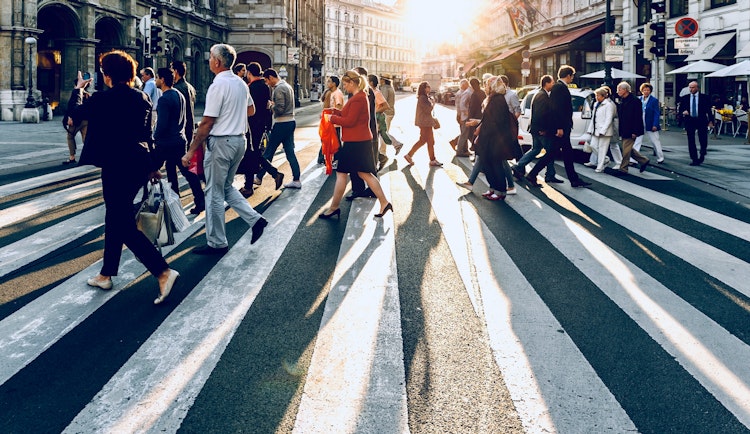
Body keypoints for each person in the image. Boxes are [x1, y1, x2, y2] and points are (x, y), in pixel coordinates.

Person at [69, 51, 178, 305]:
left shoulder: (102, 99)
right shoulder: (141, 97)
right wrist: (152, 166)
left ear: (107, 75)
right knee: (115, 216)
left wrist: (78, 89)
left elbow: (73, 114)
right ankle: (106, 273)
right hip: (138, 164)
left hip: (116, 166)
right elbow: (147, 134)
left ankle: (162, 271)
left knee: (123, 223)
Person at [181, 43, 268, 255]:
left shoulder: (217, 85)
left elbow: (207, 122)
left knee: (213, 194)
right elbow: (251, 110)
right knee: (226, 187)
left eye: (210, 57)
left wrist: (191, 151)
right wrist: (232, 116)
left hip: (221, 143)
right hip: (239, 141)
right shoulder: (240, 83)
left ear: (217, 62)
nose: (209, 60)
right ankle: (255, 220)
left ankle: (217, 242)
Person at [319, 70, 392, 219]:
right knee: (364, 173)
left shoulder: (359, 98)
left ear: (352, 83)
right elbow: (349, 115)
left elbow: (350, 121)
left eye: (346, 84)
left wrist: (333, 118)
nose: (344, 87)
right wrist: (335, 112)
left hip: (355, 142)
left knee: (341, 173)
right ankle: (384, 203)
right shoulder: (359, 96)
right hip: (359, 141)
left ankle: (334, 208)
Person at [525, 65, 590, 188]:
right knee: (553, 153)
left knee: (565, 153)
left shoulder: (559, 87)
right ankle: (533, 174)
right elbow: (557, 109)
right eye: (572, 76)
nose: (572, 78)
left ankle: (574, 179)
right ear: (568, 76)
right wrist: (559, 127)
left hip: (563, 127)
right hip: (561, 128)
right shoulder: (559, 88)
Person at [153, 67, 205, 214]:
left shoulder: (164, 99)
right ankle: (197, 200)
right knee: (183, 171)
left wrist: (154, 138)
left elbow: (162, 124)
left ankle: (163, 202)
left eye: (157, 77)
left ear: (162, 79)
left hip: (165, 143)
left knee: (150, 169)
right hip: (179, 139)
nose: (156, 80)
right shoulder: (179, 94)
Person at [466, 76, 517, 200]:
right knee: (488, 165)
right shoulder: (492, 99)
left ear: (493, 86)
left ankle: (500, 191)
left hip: (495, 139)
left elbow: (495, 122)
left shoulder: (498, 100)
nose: (485, 87)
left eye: (487, 85)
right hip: (489, 138)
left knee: (496, 165)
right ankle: (493, 188)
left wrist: (483, 131)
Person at [255, 68, 302, 189]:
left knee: (269, 151)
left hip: (281, 123)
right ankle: (296, 179)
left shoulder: (279, 88)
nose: (267, 83)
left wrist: (271, 105)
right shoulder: (287, 86)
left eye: (266, 80)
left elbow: (280, 109)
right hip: (290, 122)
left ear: (271, 77)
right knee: (290, 152)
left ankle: (259, 177)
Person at [239, 62, 280, 196]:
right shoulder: (265, 86)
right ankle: (274, 174)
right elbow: (267, 107)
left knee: (251, 154)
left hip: (252, 125)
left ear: (249, 73)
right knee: (254, 153)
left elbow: (249, 108)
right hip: (260, 124)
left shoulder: (251, 88)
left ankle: (249, 186)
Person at [512, 75, 559, 184]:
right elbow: (540, 114)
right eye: (552, 82)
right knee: (550, 151)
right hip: (541, 129)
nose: (553, 84)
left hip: (535, 128)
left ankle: (519, 165)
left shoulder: (538, 93)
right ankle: (550, 175)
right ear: (546, 83)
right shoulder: (543, 96)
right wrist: (543, 129)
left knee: (536, 149)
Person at [614, 81, 650, 175]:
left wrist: (635, 131)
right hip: (624, 128)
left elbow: (637, 117)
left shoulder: (635, 101)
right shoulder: (622, 100)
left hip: (631, 129)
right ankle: (643, 160)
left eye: (619, 89)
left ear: (625, 90)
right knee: (628, 148)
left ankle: (623, 168)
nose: (618, 91)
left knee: (626, 150)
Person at [404, 81, 442, 167]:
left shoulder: (424, 97)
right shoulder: (422, 98)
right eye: (428, 86)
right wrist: (433, 104)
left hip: (425, 122)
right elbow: (427, 110)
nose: (429, 88)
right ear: (424, 88)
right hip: (424, 123)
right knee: (427, 141)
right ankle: (410, 155)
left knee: (427, 141)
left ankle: (430, 159)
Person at [585, 86, 620, 173]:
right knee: (593, 145)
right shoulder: (597, 104)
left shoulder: (609, 105)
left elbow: (608, 119)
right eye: (596, 95)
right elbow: (593, 118)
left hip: (605, 131)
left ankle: (600, 166)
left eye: (598, 95)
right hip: (596, 130)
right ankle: (605, 159)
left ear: (604, 96)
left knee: (602, 148)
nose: (596, 97)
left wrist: (603, 130)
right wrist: (590, 129)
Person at [679, 80, 713, 166]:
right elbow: (680, 109)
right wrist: (683, 112)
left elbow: (709, 111)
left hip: (701, 120)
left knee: (703, 138)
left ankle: (702, 152)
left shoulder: (704, 97)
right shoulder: (685, 98)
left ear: (697, 88)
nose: (691, 89)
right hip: (690, 121)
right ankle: (694, 158)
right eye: (690, 87)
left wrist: (711, 121)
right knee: (691, 140)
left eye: (693, 87)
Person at [633, 83, 665, 164]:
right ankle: (634, 158)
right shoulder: (639, 99)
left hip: (650, 122)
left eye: (648, 90)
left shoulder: (654, 100)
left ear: (650, 91)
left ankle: (660, 157)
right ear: (642, 91)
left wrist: (655, 124)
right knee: (637, 141)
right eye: (644, 90)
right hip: (640, 122)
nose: (646, 92)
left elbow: (656, 113)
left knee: (655, 141)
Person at [63, 78, 90, 165]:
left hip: (76, 120)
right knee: (85, 139)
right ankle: (88, 157)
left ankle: (72, 157)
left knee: (70, 137)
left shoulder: (75, 94)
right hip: (86, 120)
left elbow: (72, 107)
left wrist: (70, 117)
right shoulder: (88, 95)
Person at [368, 74, 390, 170]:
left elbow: (386, 106)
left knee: (372, 143)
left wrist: (373, 112)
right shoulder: (370, 92)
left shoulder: (376, 93)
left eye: (367, 80)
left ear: (371, 83)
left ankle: (381, 158)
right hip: (371, 120)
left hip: (375, 120)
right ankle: (381, 158)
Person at [379, 74, 402, 155]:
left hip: (386, 113)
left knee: (383, 132)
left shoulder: (384, 88)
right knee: (384, 132)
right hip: (390, 112)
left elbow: (382, 101)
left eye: (380, 78)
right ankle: (383, 151)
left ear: (383, 80)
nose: (379, 80)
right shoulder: (390, 88)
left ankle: (394, 145)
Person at [453, 78, 472, 157]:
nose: (468, 86)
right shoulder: (461, 93)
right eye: (467, 84)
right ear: (463, 85)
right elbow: (459, 106)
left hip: (461, 115)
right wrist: (460, 116)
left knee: (465, 133)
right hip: (462, 116)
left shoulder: (462, 92)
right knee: (464, 133)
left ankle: (465, 149)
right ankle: (460, 150)